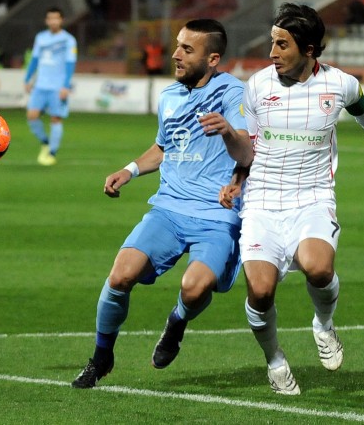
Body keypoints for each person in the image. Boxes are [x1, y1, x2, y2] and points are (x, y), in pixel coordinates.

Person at [220, 3, 364, 396]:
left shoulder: (341, 85)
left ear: (308, 49)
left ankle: (323, 326)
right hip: (262, 200)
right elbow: (251, 145)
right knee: (261, 292)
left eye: (282, 44)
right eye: (272, 42)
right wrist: (237, 180)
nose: (272, 52)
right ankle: (275, 361)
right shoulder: (256, 86)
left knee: (319, 269)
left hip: (313, 196)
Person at [71, 19, 253, 389]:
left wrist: (227, 131)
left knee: (195, 288)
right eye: (177, 46)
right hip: (169, 209)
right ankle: (101, 357)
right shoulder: (170, 95)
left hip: (217, 215)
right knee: (120, 276)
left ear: (213, 59)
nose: (175, 54)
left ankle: (177, 323)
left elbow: (247, 152)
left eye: (187, 49)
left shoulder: (234, 93)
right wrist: (129, 170)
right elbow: (163, 147)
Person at [24, 7, 77, 166]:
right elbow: (34, 59)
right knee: (32, 116)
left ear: (61, 20)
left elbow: (70, 63)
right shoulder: (40, 37)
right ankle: (45, 142)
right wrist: (27, 79)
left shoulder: (68, 40)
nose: (53, 21)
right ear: (46, 21)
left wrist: (65, 86)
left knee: (56, 118)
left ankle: (52, 152)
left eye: (56, 18)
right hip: (40, 85)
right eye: (50, 18)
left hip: (57, 86)